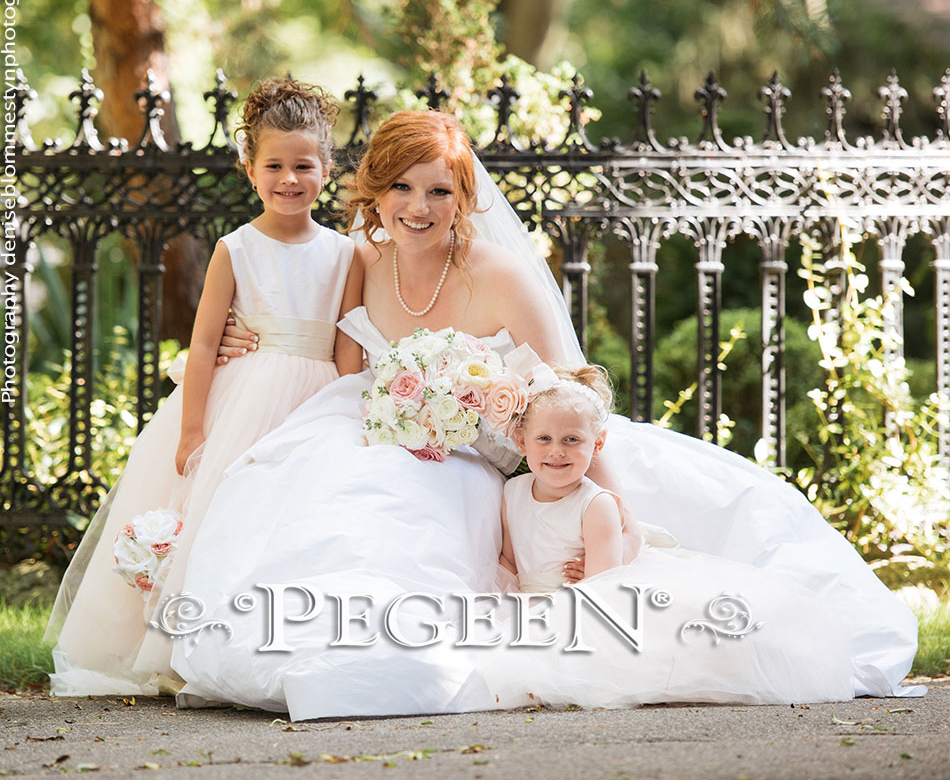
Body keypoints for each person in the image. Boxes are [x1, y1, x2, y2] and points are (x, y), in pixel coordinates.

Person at [168, 109, 920, 720]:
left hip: (512, 453)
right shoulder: (360, 260)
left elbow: (571, 391)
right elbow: (329, 351)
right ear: (373, 194)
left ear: (465, 200)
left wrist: (609, 501)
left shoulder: (499, 274)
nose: (418, 208)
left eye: (438, 192)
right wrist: (241, 342)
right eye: (400, 189)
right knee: (334, 495)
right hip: (391, 439)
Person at [44, 77, 363, 696]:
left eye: (304, 165)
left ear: (327, 169)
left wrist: (347, 416)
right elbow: (204, 343)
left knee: (291, 517)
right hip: (243, 397)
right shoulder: (235, 248)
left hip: (316, 399)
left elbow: (347, 347)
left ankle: (277, 644)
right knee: (221, 515)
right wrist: (193, 428)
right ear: (249, 169)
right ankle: (182, 650)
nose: (289, 179)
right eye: (274, 165)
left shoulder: (344, 254)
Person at [498, 363, 853, 706]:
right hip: (536, 603)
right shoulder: (512, 494)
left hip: (590, 606)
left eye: (571, 440)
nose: (556, 450)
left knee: (690, 653)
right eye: (543, 438)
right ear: (521, 439)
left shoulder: (597, 505)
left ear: (598, 444)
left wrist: (549, 611)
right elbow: (510, 562)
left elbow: (601, 590)